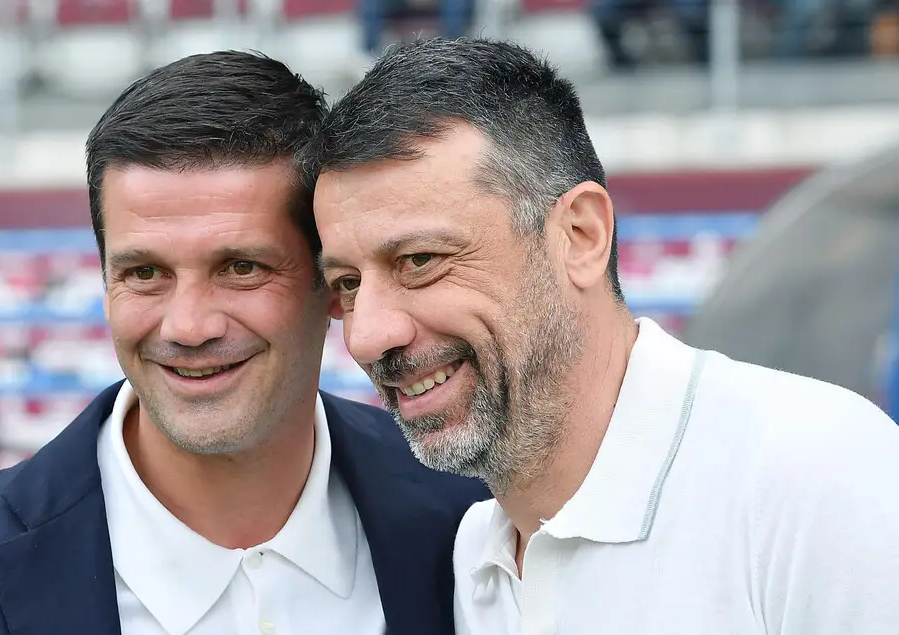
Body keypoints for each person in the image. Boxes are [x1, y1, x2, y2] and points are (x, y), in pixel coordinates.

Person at [0, 51, 488, 635]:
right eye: (145, 273)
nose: (188, 326)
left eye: (241, 268)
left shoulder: (474, 513)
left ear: (332, 285)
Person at [304, 37, 899, 634]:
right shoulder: (471, 558)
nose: (367, 336)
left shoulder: (815, 478)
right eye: (347, 284)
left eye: (419, 260)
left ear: (581, 237)